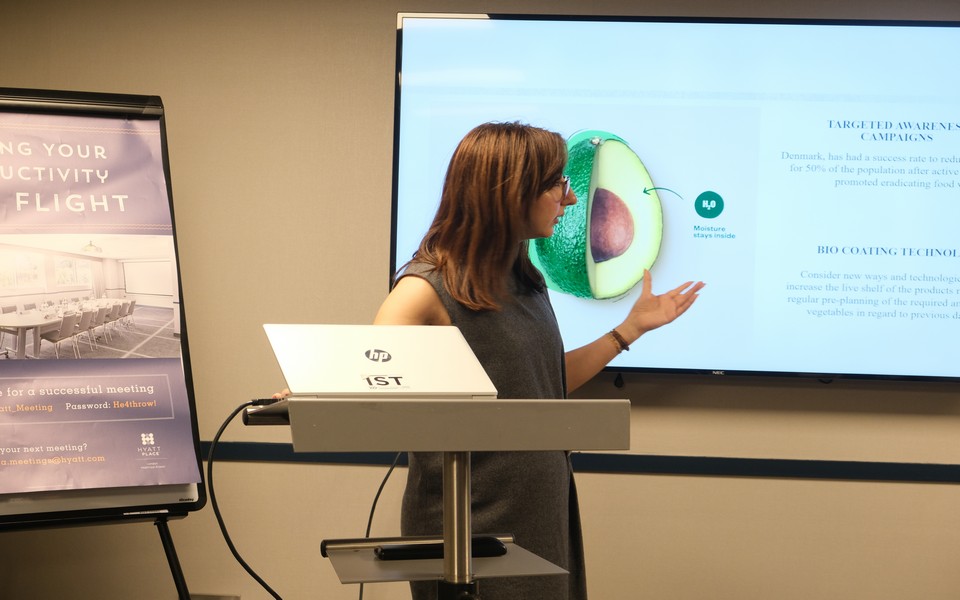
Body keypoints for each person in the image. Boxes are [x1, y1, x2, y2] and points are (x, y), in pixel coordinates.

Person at [374, 121, 704, 600]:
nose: (570, 199)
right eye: (557, 185)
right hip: (471, 524)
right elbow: (366, 372)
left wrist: (629, 330)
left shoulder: (527, 283)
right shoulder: (426, 288)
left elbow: (541, 385)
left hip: (540, 515)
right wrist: (315, 390)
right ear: (509, 193)